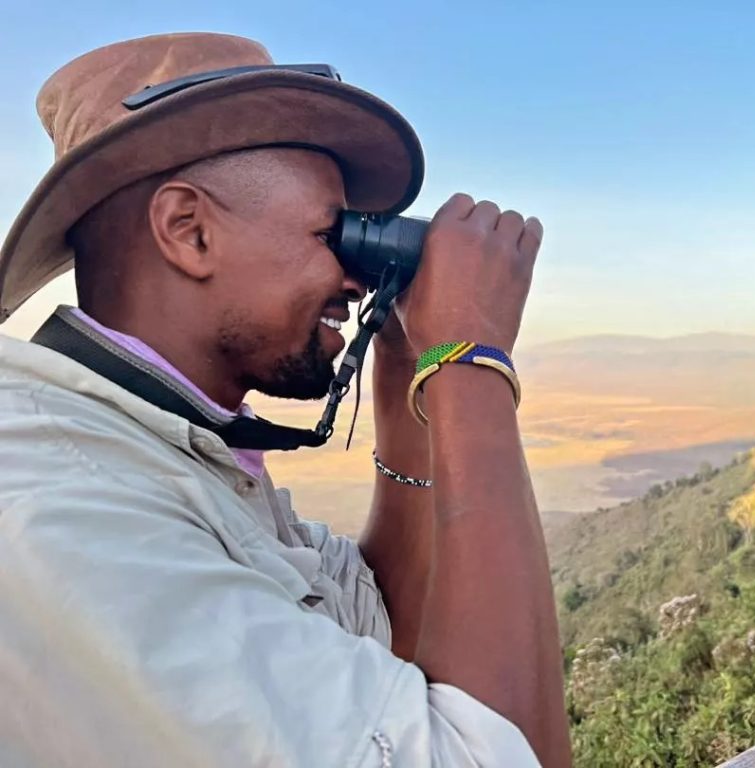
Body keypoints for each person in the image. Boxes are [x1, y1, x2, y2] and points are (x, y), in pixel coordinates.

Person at [0, 33, 572, 767]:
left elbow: (390, 632)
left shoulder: (172, 450)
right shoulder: (66, 503)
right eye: (334, 232)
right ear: (189, 232)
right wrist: (471, 357)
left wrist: (405, 364)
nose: (357, 279)